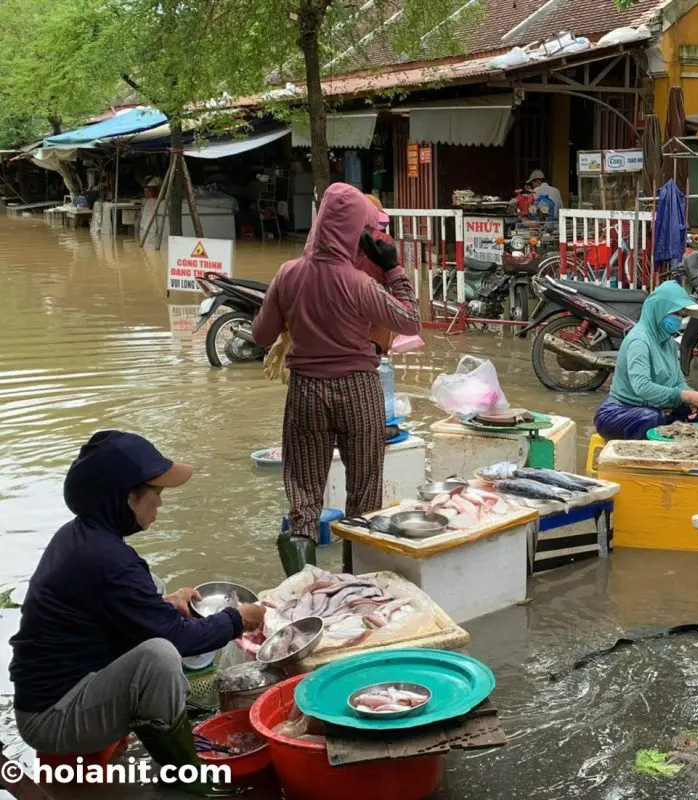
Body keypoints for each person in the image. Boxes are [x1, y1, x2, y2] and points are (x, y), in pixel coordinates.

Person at [9, 431, 264, 791]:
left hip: (56, 693)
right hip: (51, 717)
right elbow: (176, 640)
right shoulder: (108, 560)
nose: (160, 502)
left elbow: (112, 614)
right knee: (159, 658)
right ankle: (188, 778)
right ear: (127, 497)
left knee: (155, 589)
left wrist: (165, 605)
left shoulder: (80, 536)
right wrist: (238, 619)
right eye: (155, 492)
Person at [253, 183, 422, 576]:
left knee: (305, 499)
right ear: (357, 232)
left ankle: (301, 594)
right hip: (359, 390)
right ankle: (354, 587)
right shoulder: (359, 282)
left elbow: (261, 336)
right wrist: (394, 269)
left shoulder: (288, 274)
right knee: (364, 495)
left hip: (307, 392)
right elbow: (411, 320)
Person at [594, 280, 698, 440]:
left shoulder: (668, 342)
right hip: (617, 413)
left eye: (682, 315)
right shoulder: (639, 341)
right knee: (651, 418)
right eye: (676, 314)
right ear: (659, 310)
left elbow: (678, 381)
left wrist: (694, 398)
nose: (679, 319)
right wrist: (685, 396)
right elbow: (643, 387)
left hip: (654, 408)